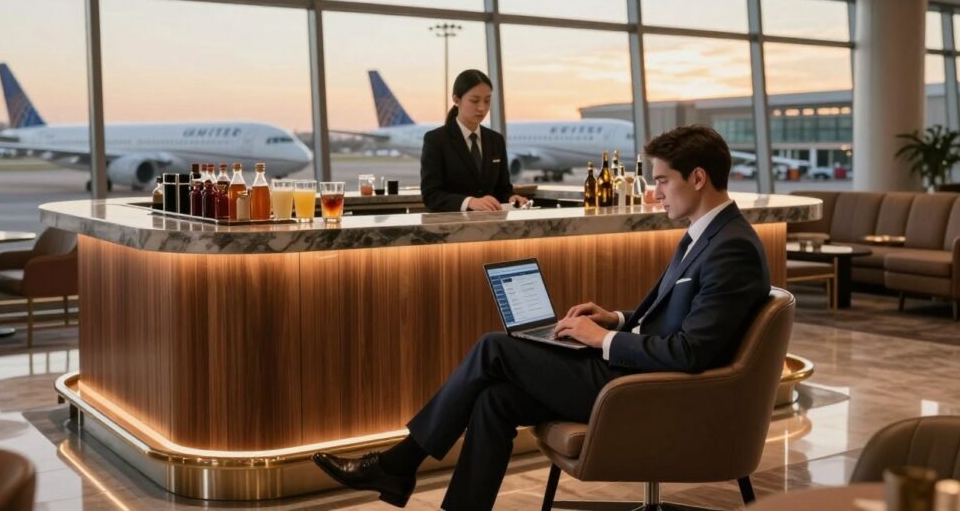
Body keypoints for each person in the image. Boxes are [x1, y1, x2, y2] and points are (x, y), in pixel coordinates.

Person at [314, 125, 771, 510]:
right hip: (638, 376)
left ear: (696, 178)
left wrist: (600, 341)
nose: (654, 192)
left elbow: (692, 352)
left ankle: (398, 465)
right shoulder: (707, 235)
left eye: (663, 181)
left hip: (651, 394)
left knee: (495, 347)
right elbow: (676, 320)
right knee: (495, 399)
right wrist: (613, 318)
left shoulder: (730, 247)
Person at [420, 69, 528, 212]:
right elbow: (431, 196)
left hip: (492, 227)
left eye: (487, 101)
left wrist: (511, 198)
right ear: (456, 99)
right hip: (452, 227)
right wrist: (469, 202)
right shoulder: (436, 140)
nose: (482, 108)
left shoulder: (496, 140)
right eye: (474, 100)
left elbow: (503, 189)